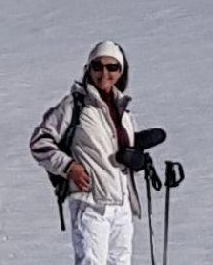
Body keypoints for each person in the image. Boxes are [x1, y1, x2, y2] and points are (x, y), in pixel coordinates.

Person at [30, 41, 154, 265]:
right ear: (88, 69)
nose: (104, 73)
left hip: (121, 205)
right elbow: (40, 142)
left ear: (121, 71)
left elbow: (119, 154)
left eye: (112, 67)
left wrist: (138, 160)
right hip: (91, 204)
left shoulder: (124, 112)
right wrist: (69, 167)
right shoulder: (74, 105)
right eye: (97, 66)